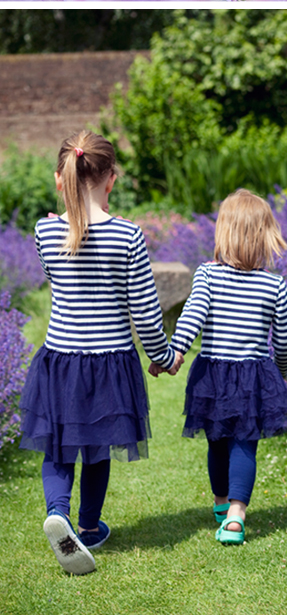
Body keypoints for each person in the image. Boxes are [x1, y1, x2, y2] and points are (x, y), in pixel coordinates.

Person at [18, 130, 182, 575]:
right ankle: (88, 527)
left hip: (60, 358)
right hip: (109, 362)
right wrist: (165, 358)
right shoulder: (128, 236)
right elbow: (147, 315)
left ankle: (58, 512)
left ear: (60, 178)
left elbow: (54, 271)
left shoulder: (45, 230)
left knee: (58, 445)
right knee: (97, 449)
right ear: (112, 179)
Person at [152, 189, 287, 545]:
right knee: (245, 445)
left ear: (223, 233)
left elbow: (190, 319)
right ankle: (235, 514)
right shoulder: (273, 284)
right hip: (254, 374)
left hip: (214, 375)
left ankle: (221, 504)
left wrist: (171, 354)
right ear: (265, 235)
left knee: (217, 443)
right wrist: (280, 371)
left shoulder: (207, 275)